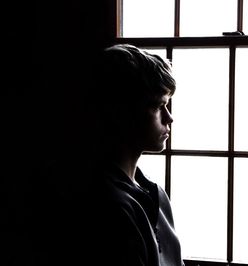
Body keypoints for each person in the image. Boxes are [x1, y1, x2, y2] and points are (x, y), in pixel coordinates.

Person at [32, 44, 184, 266]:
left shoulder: (154, 194)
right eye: (158, 106)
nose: (169, 118)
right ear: (122, 111)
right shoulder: (102, 206)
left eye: (167, 105)